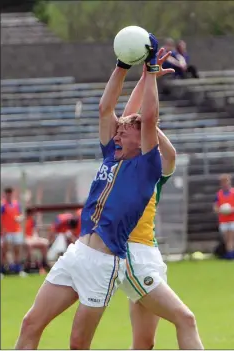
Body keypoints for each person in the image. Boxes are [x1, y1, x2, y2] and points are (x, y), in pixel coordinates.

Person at [15, 33, 171, 350]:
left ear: (140, 138)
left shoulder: (145, 168)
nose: (118, 129)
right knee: (31, 323)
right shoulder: (111, 155)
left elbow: (149, 118)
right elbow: (105, 108)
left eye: (125, 128)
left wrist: (152, 70)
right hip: (77, 253)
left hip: (104, 262)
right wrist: (123, 65)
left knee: (77, 343)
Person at [120, 66, 204, 350]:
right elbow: (125, 118)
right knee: (186, 319)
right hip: (131, 254)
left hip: (150, 255)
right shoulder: (123, 163)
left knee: (144, 344)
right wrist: (146, 80)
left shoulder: (155, 173)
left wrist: (150, 124)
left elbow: (171, 155)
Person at [1, 187, 24, 274]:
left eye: (10, 193)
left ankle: (18, 269)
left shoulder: (16, 204)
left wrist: (19, 218)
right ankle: (2, 269)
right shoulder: (2, 205)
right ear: (5, 194)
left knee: (17, 250)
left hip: (16, 231)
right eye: (7, 193)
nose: (9, 195)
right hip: (7, 232)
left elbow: (21, 215)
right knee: (5, 250)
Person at [213, 174, 234, 260]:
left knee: (230, 239)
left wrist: (231, 210)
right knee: (226, 240)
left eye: (226, 181)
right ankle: (229, 254)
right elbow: (215, 207)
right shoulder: (219, 194)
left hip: (232, 219)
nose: (225, 184)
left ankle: (230, 256)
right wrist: (221, 211)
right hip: (223, 220)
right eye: (223, 182)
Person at [24, 209, 50, 274]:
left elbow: (34, 231)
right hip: (26, 238)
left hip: (33, 238)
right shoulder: (23, 221)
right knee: (29, 244)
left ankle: (44, 262)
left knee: (45, 242)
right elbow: (22, 232)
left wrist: (36, 238)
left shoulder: (33, 221)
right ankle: (30, 264)